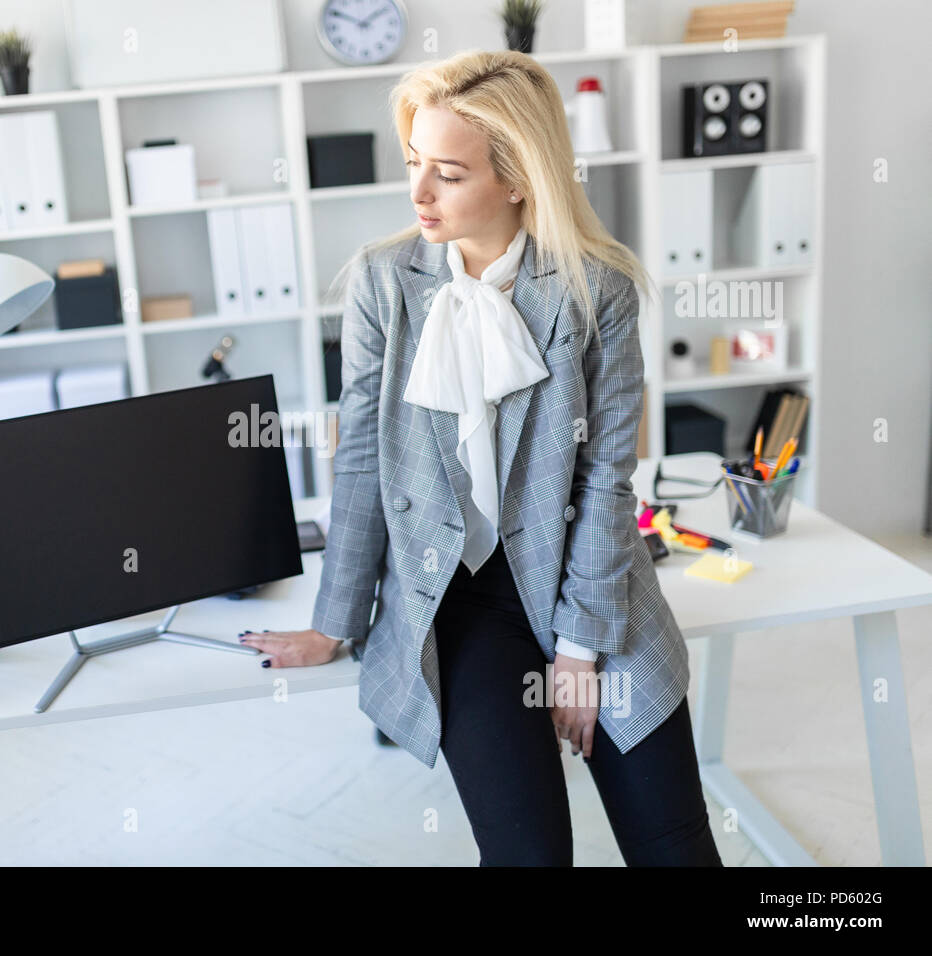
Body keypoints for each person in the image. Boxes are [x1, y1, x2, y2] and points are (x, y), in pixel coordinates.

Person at [240, 49, 722, 867]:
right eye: (414, 165)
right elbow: (360, 461)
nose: (419, 194)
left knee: (675, 847)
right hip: (457, 604)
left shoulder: (594, 288)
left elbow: (607, 480)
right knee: (530, 855)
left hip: (584, 582)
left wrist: (579, 648)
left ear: (518, 178)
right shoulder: (381, 284)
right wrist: (335, 622)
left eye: (450, 174)